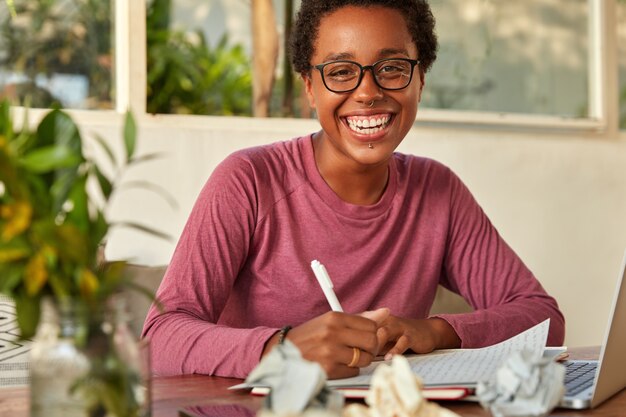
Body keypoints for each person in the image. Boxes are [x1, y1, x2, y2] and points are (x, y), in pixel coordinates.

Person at [142, 0, 565, 380]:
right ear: (309, 86)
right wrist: (284, 349)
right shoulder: (248, 181)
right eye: (341, 72)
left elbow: (543, 319)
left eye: (393, 68)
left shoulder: (438, 191)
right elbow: (160, 337)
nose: (367, 92)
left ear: (420, 81)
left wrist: (434, 332)